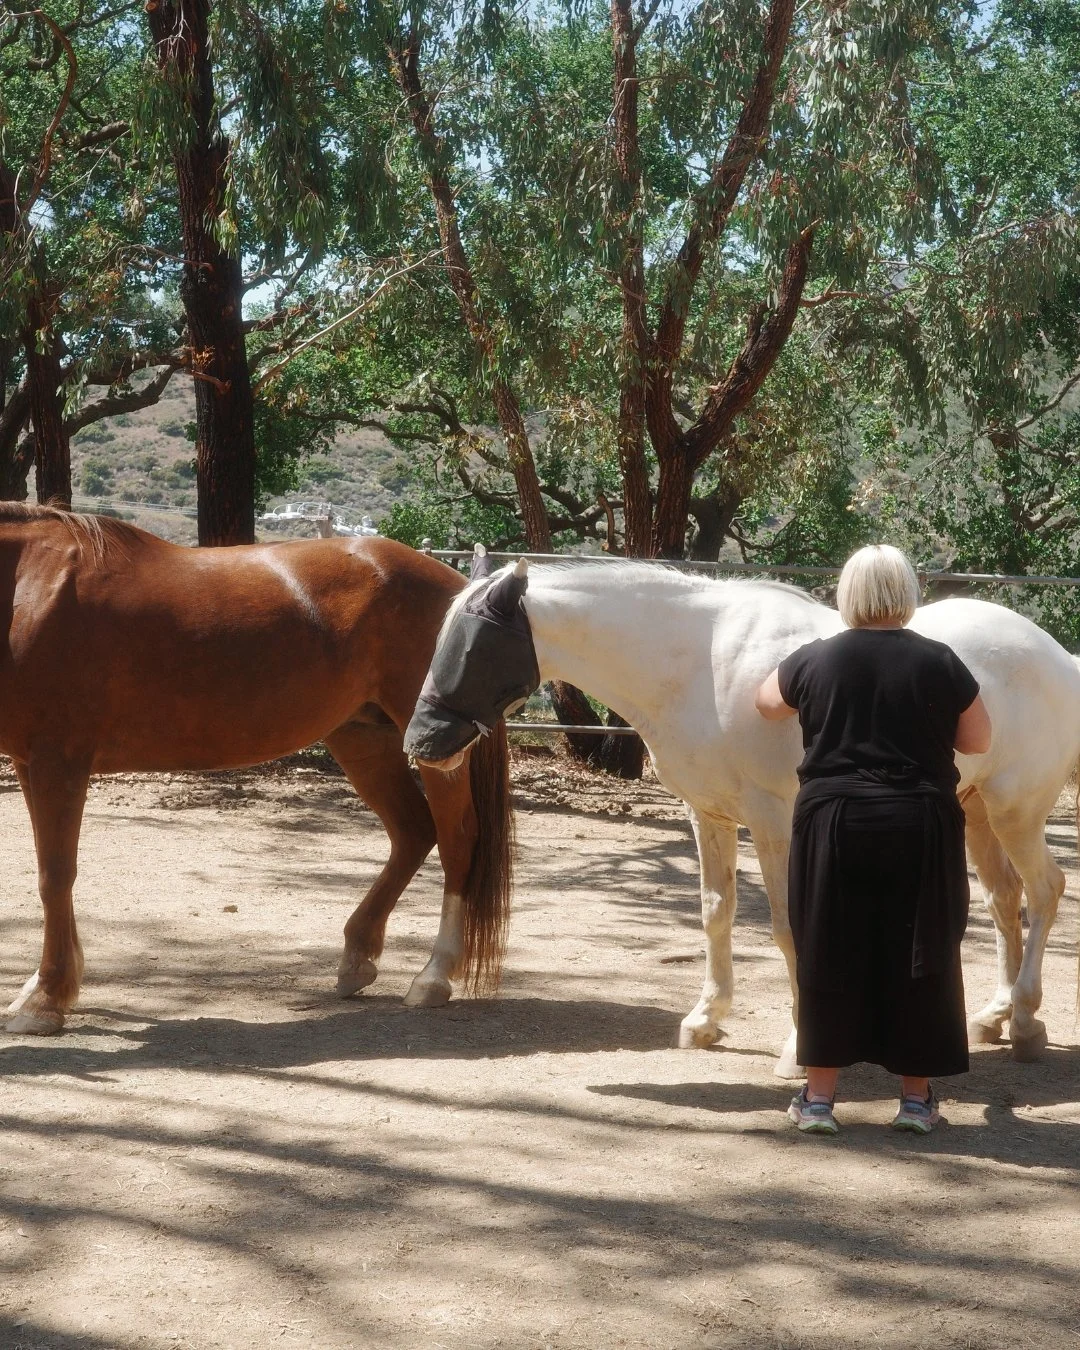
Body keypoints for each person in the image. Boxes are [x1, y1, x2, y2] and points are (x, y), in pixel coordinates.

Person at [755, 544, 992, 1136]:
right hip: (918, 819)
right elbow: (979, 741)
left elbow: (766, 705)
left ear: (847, 595)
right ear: (908, 594)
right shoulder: (940, 661)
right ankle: (915, 1102)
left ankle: (817, 1100)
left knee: (827, 949)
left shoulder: (815, 658)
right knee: (923, 950)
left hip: (833, 820)